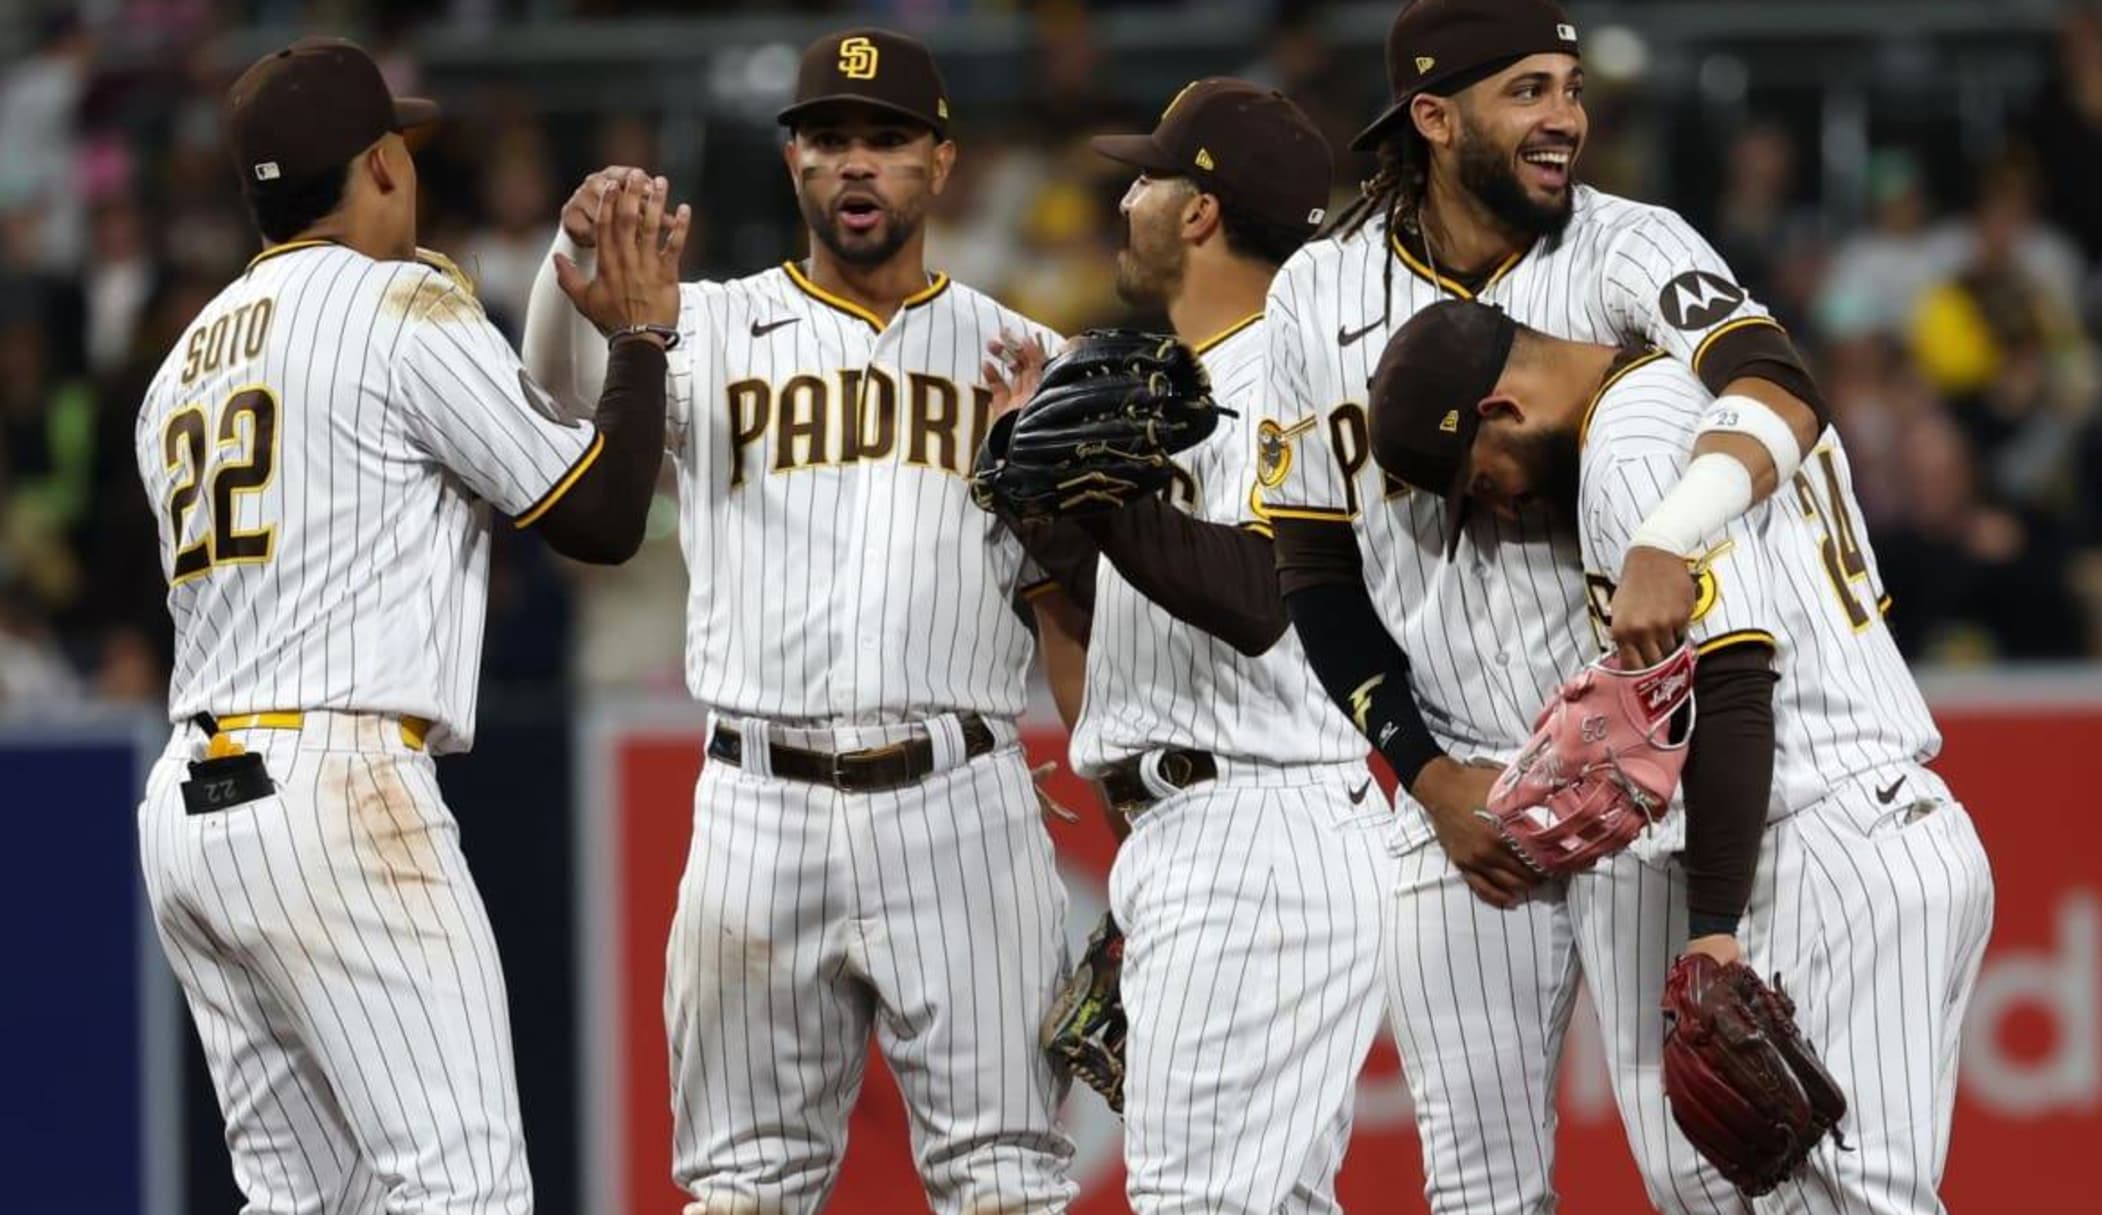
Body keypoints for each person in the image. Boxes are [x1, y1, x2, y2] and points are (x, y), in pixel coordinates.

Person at [1255, 1, 1832, 1208]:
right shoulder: (1318, 289)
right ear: (1432, 116)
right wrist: (1423, 773)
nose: (1564, 115)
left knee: (1703, 1169)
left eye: (1570, 86)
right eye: (1527, 90)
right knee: (1475, 1187)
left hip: (1640, 790)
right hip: (1462, 796)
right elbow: (1311, 563)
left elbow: (1777, 380)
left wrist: (1675, 535)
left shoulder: (1629, 245)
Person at [521, 29, 1077, 1214]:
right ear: (792, 164)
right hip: (758, 804)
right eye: (829, 140)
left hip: (963, 798)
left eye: (885, 140)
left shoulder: (1026, 354)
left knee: (1010, 1182)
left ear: (941, 160)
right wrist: (576, 254)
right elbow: (558, 395)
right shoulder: (706, 325)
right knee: (741, 1189)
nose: (855, 164)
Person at [133, 37, 682, 1213]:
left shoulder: (177, 362)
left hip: (192, 800)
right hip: (336, 786)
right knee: (464, 1189)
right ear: (379, 163)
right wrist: (641, 335)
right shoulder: (398, 305)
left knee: (305, 1202)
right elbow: (599, 518)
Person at [1366, 296, 1995, 1214]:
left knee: (1856, 1203)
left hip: (1829, 837)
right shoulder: (1710, 394)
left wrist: (1712, 934)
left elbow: (1737, 678)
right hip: (1878, 826)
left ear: (1500, 410)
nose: (1500, 505)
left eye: (1481, 480)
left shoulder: (1630, 446)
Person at [1008, 79, 1390, 1213]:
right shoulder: (1185, 382)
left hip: (1261, 830)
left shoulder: (1293, 371)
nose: (1125, 197)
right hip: (1200, 824)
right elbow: (1137, 603)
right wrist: (1053, 522)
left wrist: (1107, 497)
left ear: (1200, 213)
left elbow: (1272, 593)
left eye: (1147, 177)